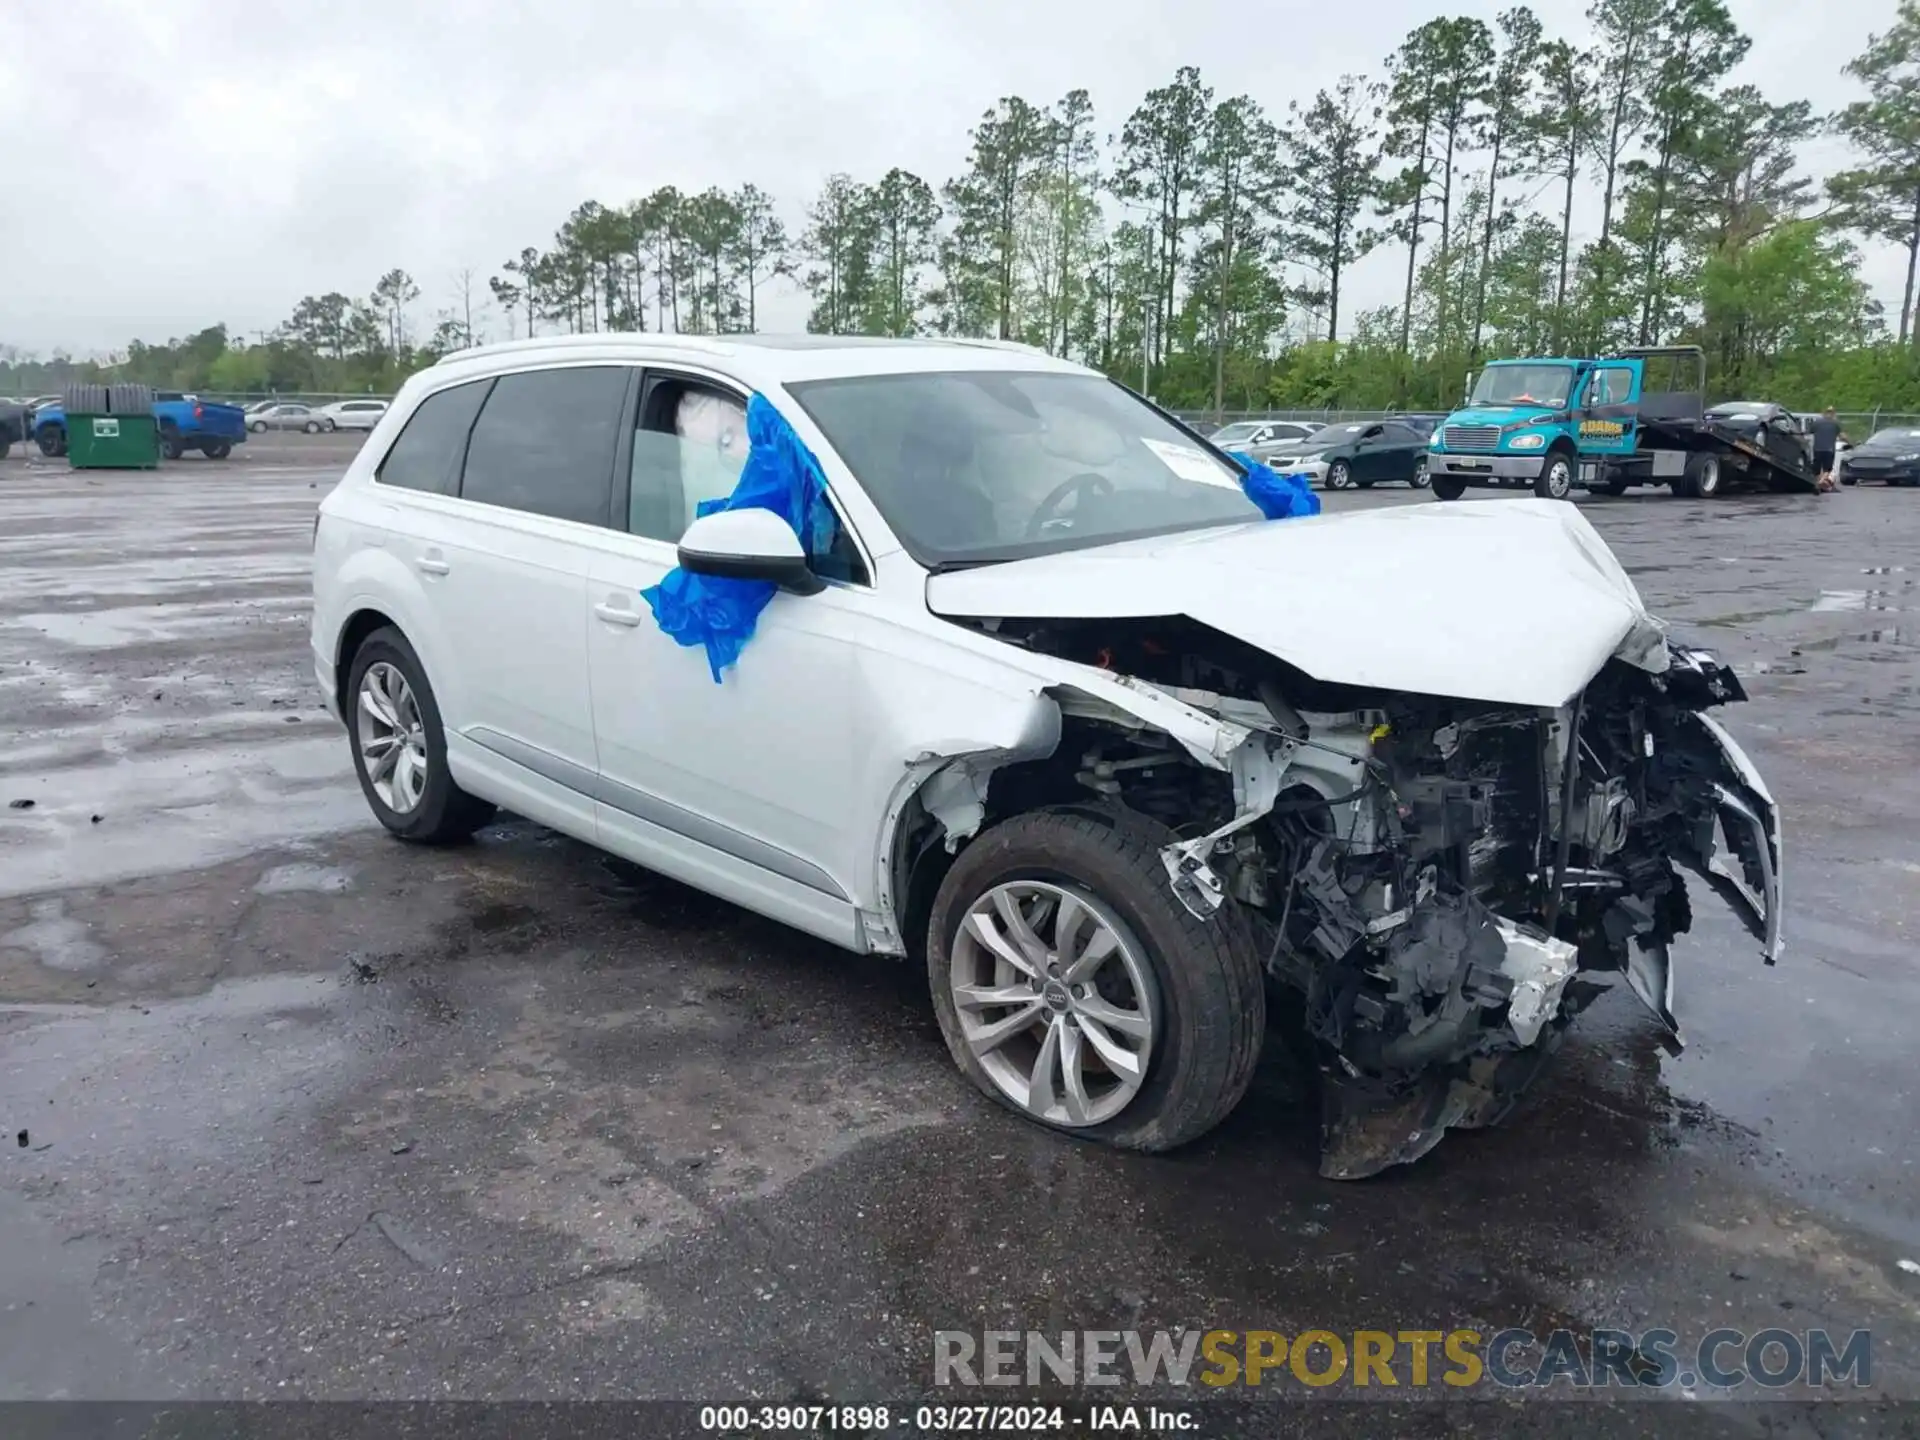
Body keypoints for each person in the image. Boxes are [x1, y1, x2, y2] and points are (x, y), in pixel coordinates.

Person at [1809, 407, 1845, 490]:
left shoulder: (1816, 423)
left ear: (1824, 413)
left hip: (1817, 449)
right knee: (1827, 469)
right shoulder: (1835, 423)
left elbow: (1810, 433)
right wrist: (1850, 443)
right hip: (1829, 450)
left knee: (1817, 469)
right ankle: (1820, 482)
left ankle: (1818, 485)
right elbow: (1842, 436)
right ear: (1833, 414)